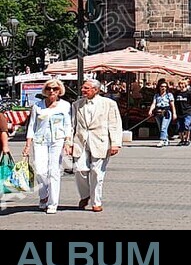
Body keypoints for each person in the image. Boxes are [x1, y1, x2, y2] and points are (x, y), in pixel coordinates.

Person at [70, 77, 123, 213]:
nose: (83, 90)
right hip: (80, 141)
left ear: (96, 90)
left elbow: (114, 124)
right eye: (83, 88)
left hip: (100, 141)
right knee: (79, 169)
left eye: (86, 88)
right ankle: (85, 194)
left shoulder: (108, 104)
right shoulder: (77, 104)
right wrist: (68, 142)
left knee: (97, 172)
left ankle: (96, 201)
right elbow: (72, 125)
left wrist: (116, 143)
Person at [23, 78, 72, 214]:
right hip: (40, 140)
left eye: (55, 89)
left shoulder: (65, 105)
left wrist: (68, 141)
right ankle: (44, 194)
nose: (52, 91)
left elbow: (68, 124)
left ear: (59, 91)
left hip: (57, 140)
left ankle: (52, 202)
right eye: (49, 88)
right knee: (40, 170)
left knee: (54, 171)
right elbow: (32, 125)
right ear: (45, 90)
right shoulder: (38, 106)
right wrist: (28, 144)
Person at [147, 79, 176, 147]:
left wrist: (174, 113)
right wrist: (150, 110)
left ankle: (162, 140)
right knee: (161, 127)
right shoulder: (157, 95)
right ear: (159, 87)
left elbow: (172, 104)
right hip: (158, 112)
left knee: (163, 126)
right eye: (162, 86)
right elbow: (154, 103)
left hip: (166, 112)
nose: (163, 88)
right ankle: (166, 139)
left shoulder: (169, 95)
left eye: (165, 86)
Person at [173, 80, 191, 145]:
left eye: (182, 84)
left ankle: (187, 139)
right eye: (180, 84)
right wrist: (174, 112)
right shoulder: (176, 93)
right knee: (179, 127)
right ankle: (182, 139)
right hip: (179, 112)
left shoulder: (189, 93)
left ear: (185, 85)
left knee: (187, 125)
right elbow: (173, 103)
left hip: (187, 111)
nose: (181, 85)